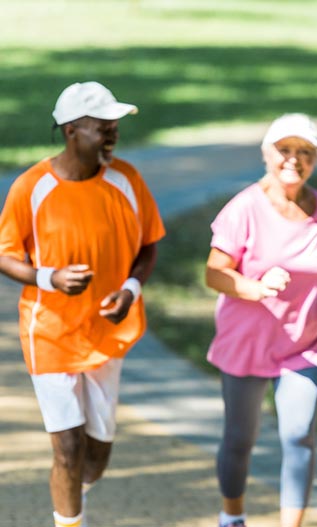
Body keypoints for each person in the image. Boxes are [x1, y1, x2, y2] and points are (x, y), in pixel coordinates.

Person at [0, 81, 165, 527]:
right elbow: (5, 255)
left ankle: (70, 494)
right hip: (49, 330)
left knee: (95, 456)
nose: (112, 131)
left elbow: (149, 245)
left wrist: (130, 289)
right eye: (102, 124)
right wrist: (47, 278)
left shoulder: (126, 180)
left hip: (107, 331)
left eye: (114, 124)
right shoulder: (31, 187)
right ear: (71, 129)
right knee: (68, 449)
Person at [205, 113, 317, 527]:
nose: (293, 160)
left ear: (316, 160)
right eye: (285, 150)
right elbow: (214, 272)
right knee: (239, 439)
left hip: (305, 341)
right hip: (246, 340)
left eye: (305, 152)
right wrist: (255, 286)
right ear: (267, 154)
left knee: (299, 434)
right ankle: (232, 517)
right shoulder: (244, 208)